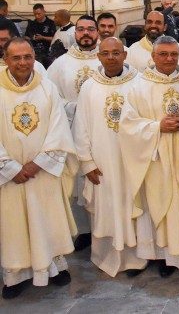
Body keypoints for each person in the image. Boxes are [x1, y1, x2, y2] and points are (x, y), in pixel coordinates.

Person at [0, 37, 77, 299]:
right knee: (15, 225)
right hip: (9, 178)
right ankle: (15, 275)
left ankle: (53, 268)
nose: (23, 63)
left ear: (34, 58)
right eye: (16, 58)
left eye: (27, 57)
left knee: (47, 221)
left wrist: (36, 165)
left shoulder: (47, 88)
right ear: (5, 59)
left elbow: (59, 129)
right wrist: (10, 168)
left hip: (42, 172)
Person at [119, 35, 179, 277]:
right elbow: (127, 126)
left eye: (173, 54)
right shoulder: (138, 87)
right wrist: (157, 127)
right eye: (163, 54)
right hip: (154, 159)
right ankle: (161, 256)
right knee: (158, 205)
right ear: (153, 57)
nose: (169, 59)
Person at [72, 37, 146, 277]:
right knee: (106, 208)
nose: (111, 57)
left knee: (134, 206)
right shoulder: (89, 87)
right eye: (106, 53)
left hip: (132, 160)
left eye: (116, 53)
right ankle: (105, 255)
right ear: (99, 56)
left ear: (125, 55)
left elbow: (146, 122)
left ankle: (136, 258)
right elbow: (80, 126)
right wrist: (86, 162)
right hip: (101, 162)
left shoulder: (139, 83)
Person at [46, 15, 102, 251]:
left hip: (102, 133)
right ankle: (84, 231)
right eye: (81, 30)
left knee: (102, 177)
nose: (86, 33)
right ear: (74, 33)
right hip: (71, 129)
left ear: (97, 32)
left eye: (90, 29)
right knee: (76, 178)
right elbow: (49, 97)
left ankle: (102, 226)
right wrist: (73, 107)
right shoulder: (61, 64)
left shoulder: (107, 58)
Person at [125, 11, 179, 79]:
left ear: (165, 27)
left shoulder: (176, 48)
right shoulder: (133, 50)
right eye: (149, 22)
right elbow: (128, 76)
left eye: (158, 23)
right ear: (145, 26)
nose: (153, 25)